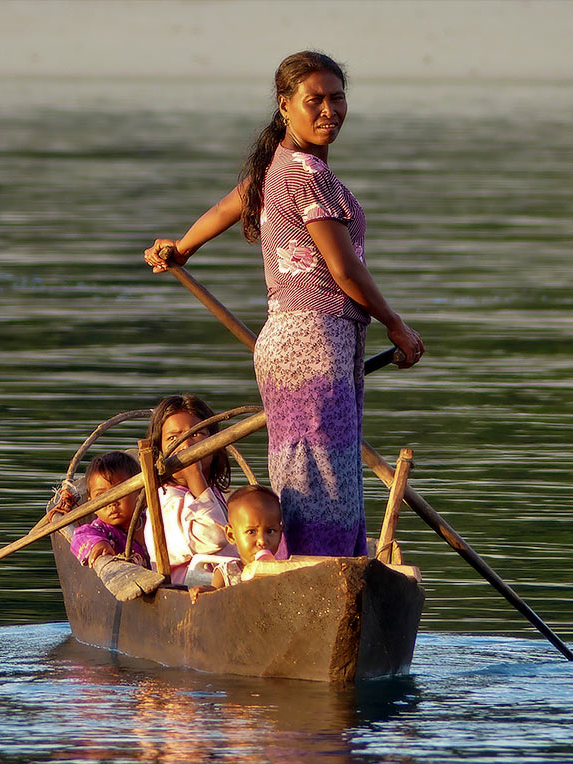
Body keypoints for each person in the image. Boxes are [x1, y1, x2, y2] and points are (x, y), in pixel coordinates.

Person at [144, 51, 424, 557]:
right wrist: (396, 325)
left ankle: (321, 570)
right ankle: (321, 577)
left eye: (337, 98)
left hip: (299, 342)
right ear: (284, 105)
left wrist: (183, 247)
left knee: (316, 471)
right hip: (312, 341)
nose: (328, 111)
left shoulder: (279, 167)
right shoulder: (305, 174)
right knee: (321, 479)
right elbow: (342, 269)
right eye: (313, 100)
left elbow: (231, 205)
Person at [143, 394, 231, 584]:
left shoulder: (213, 492)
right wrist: (195, 476)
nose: (186, 446)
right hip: (192, 594)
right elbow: (214, 538)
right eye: (173, 438)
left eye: (196, 434)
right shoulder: (167, 502)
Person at [188, 485, 288, 603]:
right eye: (251, 532)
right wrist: (206, 593)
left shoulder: (284, 571)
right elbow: (214, 599)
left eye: (270, 531)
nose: (262, 541)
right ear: (231, 535)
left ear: (281, 532)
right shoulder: (227, 573)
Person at [69, 451, 148, 568]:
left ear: (140, 493)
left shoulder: (151, 520)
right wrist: (98, 544)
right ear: (92, 504)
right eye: (101, 496)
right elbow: (80, 536)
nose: (112, 503)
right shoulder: (101, 530)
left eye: (120, 492)